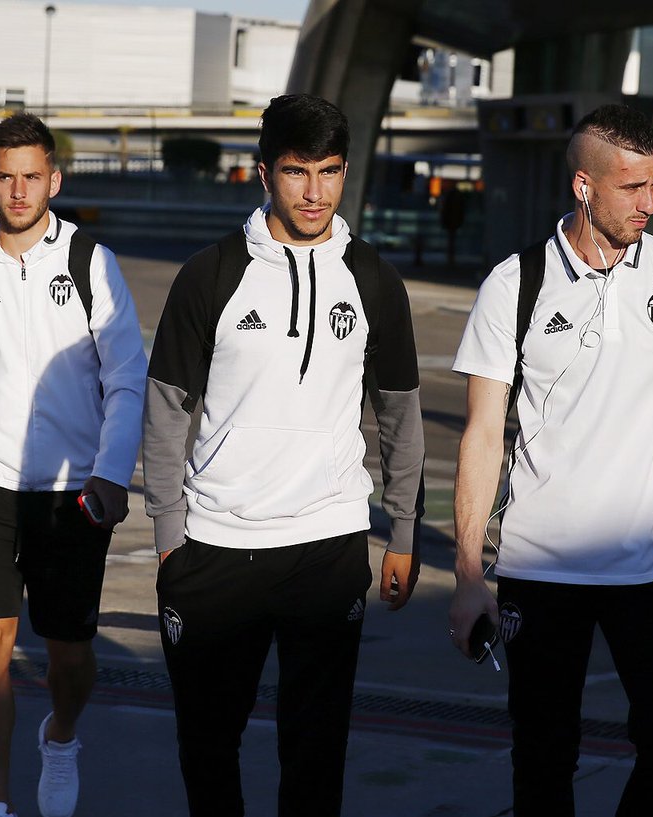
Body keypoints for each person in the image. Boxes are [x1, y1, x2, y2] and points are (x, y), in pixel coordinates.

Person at [449, 104, 653, 817]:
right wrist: (467, 574)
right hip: (539, 568)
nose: (649, 203)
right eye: (632, 187)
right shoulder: (514, 284)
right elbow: (483, 435)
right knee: (543, 759)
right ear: (584, 186)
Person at [143, 94, 425, 817]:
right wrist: (169, 534)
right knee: (208, 745)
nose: (314, 191)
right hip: (215, 544)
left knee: (317, 752)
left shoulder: (373, 279)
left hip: (328, 543)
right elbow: (167, 409)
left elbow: (399, 413)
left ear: (345, 172)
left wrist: (402, 529)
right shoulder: (210, 274)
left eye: (329, 171)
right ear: (264, 172)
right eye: (297, 171)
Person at [0, 113, 146, 817]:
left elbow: (127, 377)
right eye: (7, 177)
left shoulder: (90, 262)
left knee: (69, 655)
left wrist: (110, 473)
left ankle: (61, 734)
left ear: (55, 180)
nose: (19, 191)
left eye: (32, 177)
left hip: (70, 493)